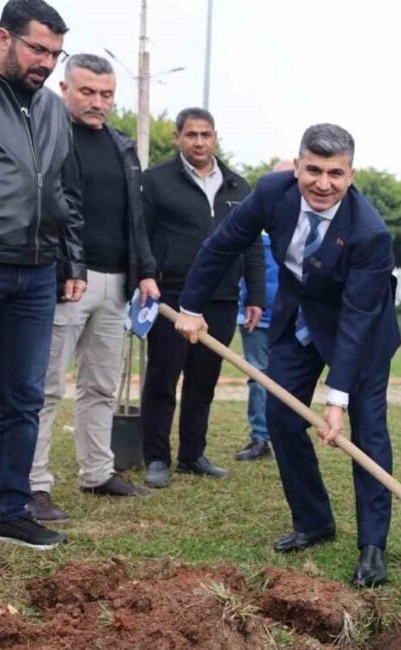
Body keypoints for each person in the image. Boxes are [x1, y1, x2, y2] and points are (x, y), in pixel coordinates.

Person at [174, 124, 400, 588]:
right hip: (298, 320)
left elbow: (357, 318)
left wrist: (336, 399)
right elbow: (222, 246)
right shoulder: (272, 192)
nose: (323, 183)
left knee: (368, 431)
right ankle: (314, 520)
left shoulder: (370, 233)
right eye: (312, 169)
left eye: (335, 173)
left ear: (351, 175)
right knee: (281, 418)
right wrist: (191, 307)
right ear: (296, 166)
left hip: (360, 330)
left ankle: (373, 545)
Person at [28, 53, 158, 524]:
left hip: (117, 284)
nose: (96, 102)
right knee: (44, 388)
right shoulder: (47, 138)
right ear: (65, 90)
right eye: (86, 92)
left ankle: (98, 471)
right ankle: (33, 484)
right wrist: (66, 267)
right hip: (66, 281)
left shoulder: (124, 146)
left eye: (105, 94)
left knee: (101, 385)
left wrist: (144, 271)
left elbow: (135, 217)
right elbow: (49, 211)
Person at [0, 0, 84, 550]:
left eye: (54, 53)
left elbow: (66, 192)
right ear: (4, 37)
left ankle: (9, 510)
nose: (46, 63)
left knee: (25, 397)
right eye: (36, 49)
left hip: (38, 273)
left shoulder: (51, 109)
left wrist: (70, 260)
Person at [140, 107, 265, 489]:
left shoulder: (239, 187)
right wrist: (145, 275)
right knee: (163, 378)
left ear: (215, 137)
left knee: (203, 382)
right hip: (171, 297)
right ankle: (156, 458)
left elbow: (252, 246)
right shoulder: (156, 181)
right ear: (178, 137)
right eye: (191, 134)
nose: (199, 142)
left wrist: (256, 295)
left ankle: (192, 455)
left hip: (223, 299)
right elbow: (141, 235)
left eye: (205, 134)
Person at [234, 229, 279, 461]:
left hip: (291, 318)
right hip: (255, 316)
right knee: (259, 378)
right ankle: (261, 438)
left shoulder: (304, 223)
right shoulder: (252, 224)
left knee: (288, 379)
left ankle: (285, 437)